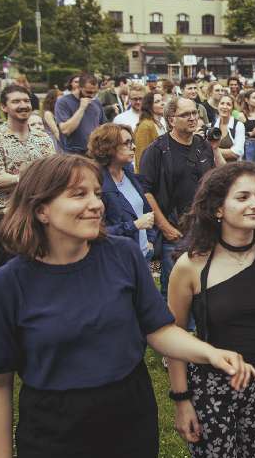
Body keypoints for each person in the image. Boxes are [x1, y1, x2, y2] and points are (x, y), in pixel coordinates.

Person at [0, 154, 255, 458]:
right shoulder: (6, 286)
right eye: (79, 194)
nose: (96, 204)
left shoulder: (123, 255)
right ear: (41, 209)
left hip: (130, 416)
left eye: (97, 192)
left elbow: (158, 330)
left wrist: (209, 353)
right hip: (56, 429)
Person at [167, 162, 255, 458]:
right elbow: (172, 336)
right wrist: (181, 400)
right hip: (209, 390)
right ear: (217, 209)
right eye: (242, 198)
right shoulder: (191, 266)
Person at [139, 97, 226, 301]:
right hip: (175, 231)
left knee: (205, 285)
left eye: (194, 113)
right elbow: (146, 191)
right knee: (174, 291)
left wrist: (215, 148)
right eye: (185, 114)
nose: (192, 118)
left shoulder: (203, 145)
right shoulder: (156, 150)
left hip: (204, 227)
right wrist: (165, 227)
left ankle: (199, 330)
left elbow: (220, 178)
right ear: (171, 120)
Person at [0, 86, 56, 222]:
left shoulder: (44, 138)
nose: (23, 105)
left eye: (26, 101)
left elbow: (52, 175)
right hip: (6, 215)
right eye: (16, 102)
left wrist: (15, 178)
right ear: (4, 107)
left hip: (38, 210)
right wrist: (38, 176)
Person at [88, 124, 156, 261]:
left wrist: (150, 241)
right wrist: (134, 225)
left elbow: (146, 212)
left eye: (132, 142)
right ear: (109, 147)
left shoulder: (129, 174)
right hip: (117, 261)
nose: (134, 147)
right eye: (127, 143)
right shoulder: (97, 183)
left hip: (142, 256)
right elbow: (96, 231)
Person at [54, 74, 106, 154]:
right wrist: (82, 108)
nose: (91, 95)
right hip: (72, 154)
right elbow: (66, 130)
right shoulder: (63, 102)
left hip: (92, 153)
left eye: (95, 92)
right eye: (88, 92)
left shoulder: (96, 102)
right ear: (79, 87)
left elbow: (103, 126)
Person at [133, 91, 166, 169]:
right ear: (149, 106)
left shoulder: (160, 124)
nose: (162, 103)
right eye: (157, 102)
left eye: (162, 100)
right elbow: (141, 156)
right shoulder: (145, 126)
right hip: (150, 175)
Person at [211, 94, 245, 162]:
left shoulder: (238, 125)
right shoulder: (213, 125)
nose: (225, 107)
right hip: (216, 168)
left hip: (233, 168)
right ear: (217, 106)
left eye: (228, 104)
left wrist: (214, 150)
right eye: (222, 103)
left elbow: (237, 152)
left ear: (232, 108)